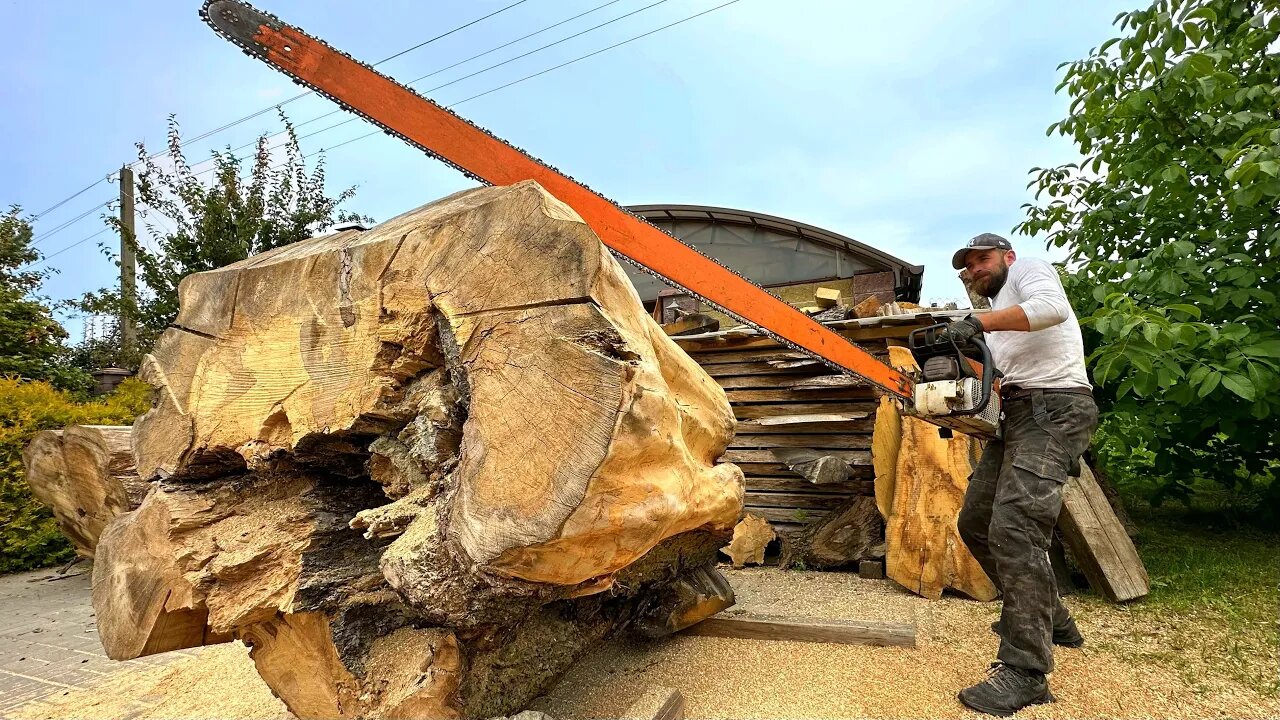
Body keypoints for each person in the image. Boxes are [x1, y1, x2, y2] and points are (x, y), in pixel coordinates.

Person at [939, 233, 1098, 717]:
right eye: (967, 265)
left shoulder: (1030, 270)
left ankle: (1026, 671)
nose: (975, 269)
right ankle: (1053, 618)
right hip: (1018, 415)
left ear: (1006, 256)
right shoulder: (994, 316)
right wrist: (948, 353)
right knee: (976, 522)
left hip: (1058, 406)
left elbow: (1051, 310)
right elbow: (997, 373)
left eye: (982, 259)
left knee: (1016, 527)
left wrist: (974, 322)